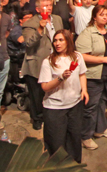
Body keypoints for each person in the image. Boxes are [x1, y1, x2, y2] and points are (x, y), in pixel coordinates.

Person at [76, 5, 107, 150]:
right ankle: (85, 136)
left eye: (106, 15)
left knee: (103, 102)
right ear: (94, 17)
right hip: (94, 74)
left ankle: (100, 129)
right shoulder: (88, 33)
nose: (105, 17)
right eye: (101, 15)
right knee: (91, 106)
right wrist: (103, 59)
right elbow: (81, 55)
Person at [39, 30, 88, 163]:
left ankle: (74, 166)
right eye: (55, 40)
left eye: (61, 40)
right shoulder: (48, 61)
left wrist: (84, 90)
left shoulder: (77, 56)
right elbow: (45, 86)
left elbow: (82, 74)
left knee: (74, 139)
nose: (57, 43)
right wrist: (60, 78)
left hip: (74, 105)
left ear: (68, 41)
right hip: (55, 108)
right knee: (56, 143)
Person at [21, 0, 64, 131]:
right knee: (37, 93)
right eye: (45, 6)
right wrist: (40, 29)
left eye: (50, 5)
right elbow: (29, 43)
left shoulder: (57, 19)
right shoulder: (30, 23)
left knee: (52, 90)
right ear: (38, 9)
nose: (48, 8)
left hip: (54, 60)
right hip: (37, 62)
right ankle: (37, 118)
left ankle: (50, 116)